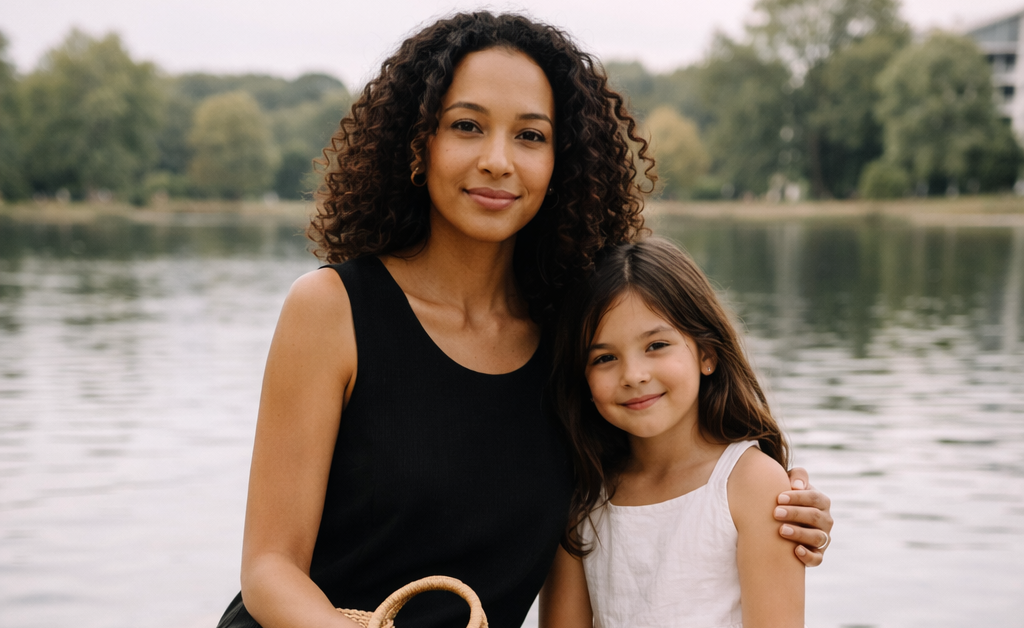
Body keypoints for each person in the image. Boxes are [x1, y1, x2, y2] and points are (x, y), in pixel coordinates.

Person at [216, 12, 833, 628]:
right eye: (466, 126)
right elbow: (270, 570)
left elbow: (668, 469)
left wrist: (780, 508)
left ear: (561, 162)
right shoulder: (330, 310)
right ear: (417, 142)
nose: (497, 160)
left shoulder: (580, 337)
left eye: (530, 136)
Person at [541, 237, 810, 627]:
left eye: (656, 345)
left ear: (707, 353)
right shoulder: (584, 494)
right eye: (604, 358)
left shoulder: (751, 484)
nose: (634, 375)